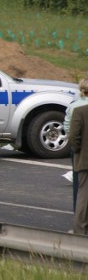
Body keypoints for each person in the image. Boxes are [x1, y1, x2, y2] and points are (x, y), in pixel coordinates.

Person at [64, 78, 88, 212]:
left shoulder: (73, 105)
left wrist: (75, 147)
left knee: (79, 184)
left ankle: (77, 211)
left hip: (78, 148)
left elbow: (67, 126)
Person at [68, 103, 88, 235]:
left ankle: (80, 230)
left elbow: (74, 137)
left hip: (85, 160)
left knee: (84, 194)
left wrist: (77, 152)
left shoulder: (80, 111)